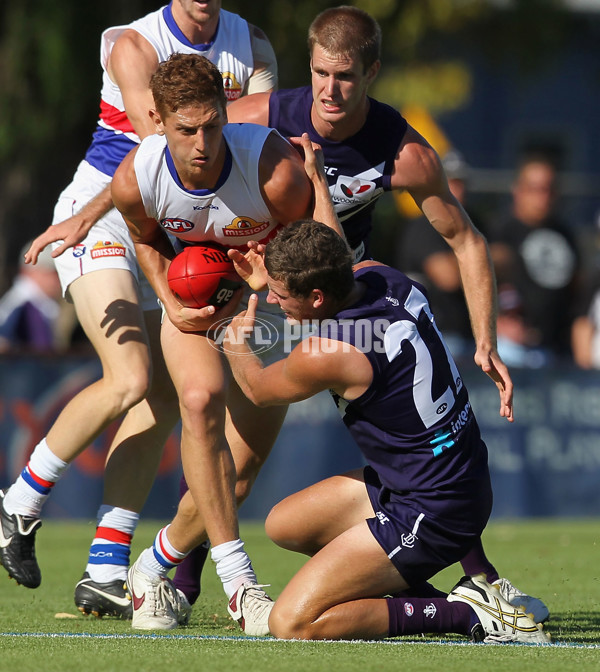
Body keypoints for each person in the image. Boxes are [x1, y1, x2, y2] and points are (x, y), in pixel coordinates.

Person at [174, 5, 549, 625]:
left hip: (321, 303)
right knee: (259, 487)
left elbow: (466, 240)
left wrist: (486, 340)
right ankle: (473, 579)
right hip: (271, 285)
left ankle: (174, 572)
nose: (328, 89)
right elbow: (180, 144)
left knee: (243, 448)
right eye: (320, 72)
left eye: (345, 76)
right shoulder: (267, 118)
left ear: (372, 72)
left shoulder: (402, 152)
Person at [0, 0, 277, 620]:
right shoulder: (133, 44)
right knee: (128, 377)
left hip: (177, 229)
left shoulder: (253, 45)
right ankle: (18, 502)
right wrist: (83, 217)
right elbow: (157, 157)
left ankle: (106, 564)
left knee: (162, 397)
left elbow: (264, 125)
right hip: (107, 215)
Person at [220, 219, 549, 644]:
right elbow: (335, 271)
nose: (269, 298)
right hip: (452, 478)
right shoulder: (379, 273)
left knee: (293, 622)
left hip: (432, 509)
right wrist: (280, 280)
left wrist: (234, 344)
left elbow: (259, 389)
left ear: (317, 296)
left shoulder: (329, 352)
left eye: (279, 294)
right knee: (287, 525)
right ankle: (470, 589)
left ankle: (465, 614)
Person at [110, 52, 344, 631]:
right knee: (197, 401)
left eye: (212, 125)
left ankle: (151, 563)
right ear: (156, 119)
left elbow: (311, 248)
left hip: (267, 304)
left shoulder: (272, 169)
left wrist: (256, 290)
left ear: (224, 114)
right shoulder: (134, 180)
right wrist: (170, 303)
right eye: (185, 129)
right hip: (191, 308)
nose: (201, 142)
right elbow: (144, 240)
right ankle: (240, 585)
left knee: (236, 476)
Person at [487, 153, 580, 363]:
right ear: (518, 190)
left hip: (557, 349)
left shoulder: (564, 232)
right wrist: (495, 322)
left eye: (549, 189)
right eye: (535, 189)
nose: (543, 197)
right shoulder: (500, 231)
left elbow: (576, 288)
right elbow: (477, 282)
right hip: (513, 350)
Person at [395, 149, 478, 360]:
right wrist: (482, 259)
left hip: (468, 334)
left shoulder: (471, 224)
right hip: (431, 335)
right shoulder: (424, 225)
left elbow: (507, 259)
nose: (457, 190)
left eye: (461, 183)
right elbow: (448, 277)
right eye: (450, 182)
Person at [0, 243, 64, 353]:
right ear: (28, 271)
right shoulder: (22, 306)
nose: (59, 279)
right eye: (52, 272)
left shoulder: (39, 305)